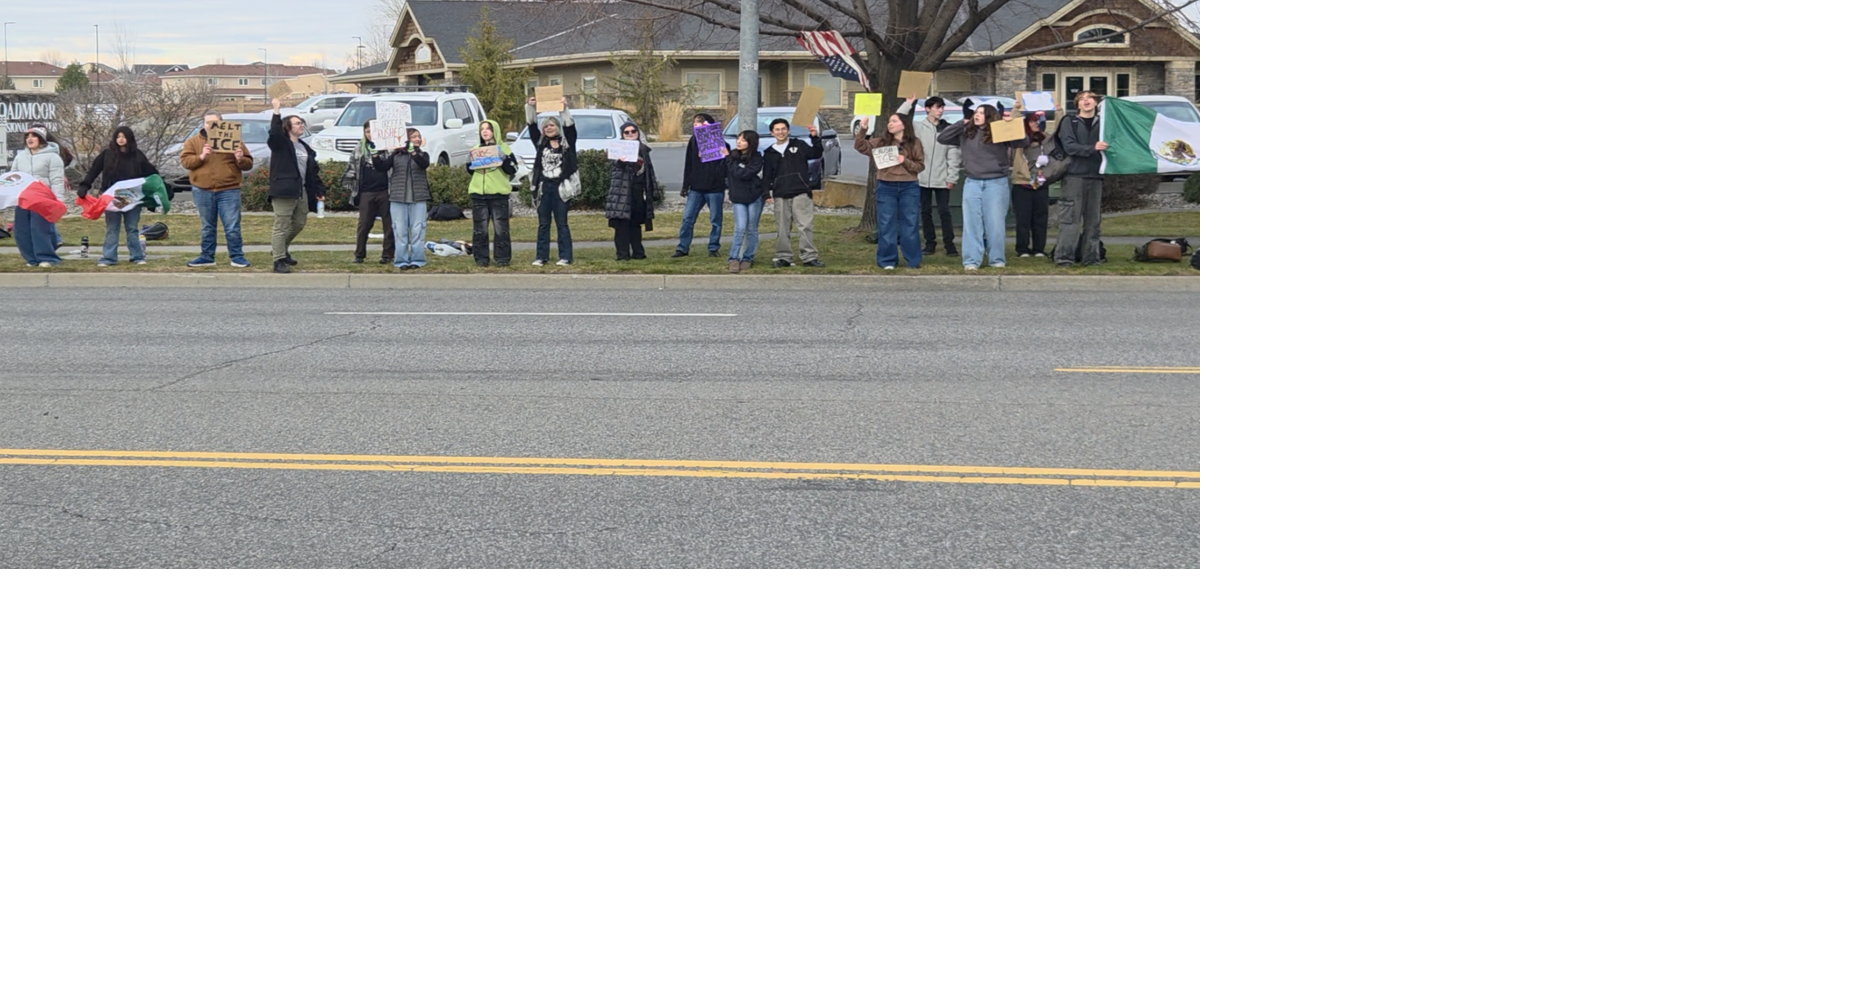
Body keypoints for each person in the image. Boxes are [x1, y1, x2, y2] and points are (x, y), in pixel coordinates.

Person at [938, 102, 1031, 271]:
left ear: (989, 115)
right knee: (971, 223)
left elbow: (1023, 142)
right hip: (972, 182)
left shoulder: (999, 131)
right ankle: (971, 260)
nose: (977, 115)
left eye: (981, 112)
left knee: (995, 223)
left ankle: (996, 259)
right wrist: (961, 122)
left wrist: (1012, 125)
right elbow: (942, 138)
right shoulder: (966, 132)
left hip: (996, 182)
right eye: (976, 112)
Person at [73, 125, 160, 266]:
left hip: (132, 197)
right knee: (112, 228)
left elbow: (151, 174)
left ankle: (137, 256)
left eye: (124, 136)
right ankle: (109, 258)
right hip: (111, 198)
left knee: (132, 228)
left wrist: (160, 189)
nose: (121, 139)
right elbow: (94, 171)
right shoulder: (107, 154)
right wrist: (84, 186)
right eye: (118, 136)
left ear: (129, 138)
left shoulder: (137, 155)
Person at [180, 111, 255, 268]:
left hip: (229, 189)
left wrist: (240, 158)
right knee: (207, 226)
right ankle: (207, 256)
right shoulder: (193, 142)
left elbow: (248, 164)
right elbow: (186, 162)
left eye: (214, 123)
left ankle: (237, 257)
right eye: (207, 123)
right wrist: (201, 156)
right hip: (202, 190)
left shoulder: (234, 141)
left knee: (232, 226)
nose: (210, 126)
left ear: (221, 124)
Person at [853, 112, 925, 270]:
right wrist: (863, 129)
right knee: (886, 224)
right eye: (889, 121)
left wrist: (904, 161)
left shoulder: (915, 143)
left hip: (909, 187)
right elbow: (860, 146)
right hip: (886, 186)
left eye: (894, 121)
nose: (890, 124)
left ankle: (912, 260)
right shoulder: (881, 142)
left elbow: (920, 166)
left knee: (910, 223)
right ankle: (887, 260)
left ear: (903, 124)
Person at [265, 97, 326, 274]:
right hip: (284, 190)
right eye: (298, 123)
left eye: (302, 123)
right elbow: (274, 133)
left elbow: (312, 172)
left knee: (299, 222)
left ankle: (280, 248)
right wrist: (276, 111)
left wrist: (319, 190)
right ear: (287, 127)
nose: (301, 125)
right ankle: (278, 260)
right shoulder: (281, 144)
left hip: (302, 190)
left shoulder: (304, 147)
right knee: (282, 225)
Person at [1055, 90, 1107, 267]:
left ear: (1096, 102)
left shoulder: (1103, 122)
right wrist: (1093, 148)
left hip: (1096, 176)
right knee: (1070, 219)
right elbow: (1069, 146)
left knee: (1093, 221)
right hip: (1074, 176)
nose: (1086, 101)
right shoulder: (1069, 121)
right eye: (1082, 99)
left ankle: (1091, 258)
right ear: (1077, 104)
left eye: (1090, 98)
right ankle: (1064, 257)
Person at [762, 119, 823, 268]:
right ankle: (783, 256)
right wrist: (766, 193)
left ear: (788, 130)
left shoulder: (799, 145)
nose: (781, 132)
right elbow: (767, 175)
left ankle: (809, 256)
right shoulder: (769, 152)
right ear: (772, 133)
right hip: (780, 193)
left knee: (805, 225)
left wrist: (815, 137)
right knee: (782, 227)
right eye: (777, 130)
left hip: (800, 191)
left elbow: (816, 153)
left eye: (783, 129)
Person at [525, 97, 578, 266]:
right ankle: (541, 256)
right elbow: (531, 125)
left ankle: (565, 256)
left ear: (557, 127)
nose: (549, 128)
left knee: (562, 223)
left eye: (552, 125)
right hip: (543, 187)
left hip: (560, 187)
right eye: (546, 126)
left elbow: (570, 127)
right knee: (543, 224)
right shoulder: (541, 143)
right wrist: (530, 107)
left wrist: (563, 109)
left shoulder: (566, 143)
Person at [465, 119, 518, 267]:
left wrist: (504, 158)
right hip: (478, 194)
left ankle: (502, 258)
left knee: (501, 229)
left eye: (488, 128)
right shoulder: (476, 149)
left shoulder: (504, 149)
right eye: (482, 129)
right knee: (480, 230)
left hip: (498, 194)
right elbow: (470, 170)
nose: (485, 131)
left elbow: (513, 169)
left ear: (495, 131)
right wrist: (469, 163)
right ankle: (481, 258)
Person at [9, 127, 65, 268]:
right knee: (21, 230)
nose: (30, 139)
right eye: (27, 136)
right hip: (24, 198)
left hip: (43, 199)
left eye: (34, 136)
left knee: (40, 228)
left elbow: (57, 180)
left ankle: (47, 258)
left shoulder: (53, 157)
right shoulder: (20, 157)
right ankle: (31, 259)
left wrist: (59, 200)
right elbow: (13, 177)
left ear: (41, 139)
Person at [376, 127, 432, 270]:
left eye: (418, 136)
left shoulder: (423, 154)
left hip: (418, 198)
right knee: (400, 231)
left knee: (418, 230)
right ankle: (401, 260)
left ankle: (418, 259)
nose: (417, 139)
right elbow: (381, 167)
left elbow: (423, 163)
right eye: (413, 137)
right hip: (398, 198)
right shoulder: (395, 156)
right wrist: (374, 155)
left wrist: (413, 152)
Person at [674, 113, 726, 258]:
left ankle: (713, 247)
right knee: (687, 218)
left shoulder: (718, 140)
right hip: (696, 188)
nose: (695, 124)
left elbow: (724, 163)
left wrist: (713, 154)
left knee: (715, 220)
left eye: (699, 122)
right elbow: (689, 164)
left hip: (715, 188)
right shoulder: (693, 141)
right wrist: (686, 185)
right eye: (694, 122)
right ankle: (682, 247)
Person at [914, 97, 960, 257]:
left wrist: (952, 177)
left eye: (942, 108)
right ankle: (930, 243)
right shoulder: (918, 127)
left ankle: (949, 244)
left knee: (944, 211)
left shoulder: (948, 129)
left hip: (942, 178)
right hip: (923, 178)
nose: (940, 111)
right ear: (928, 109)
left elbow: (954, 156)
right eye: (937, 107)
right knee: (925, 211)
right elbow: (902, 119)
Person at [605, 122, 657, 261]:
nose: (630, 134)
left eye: (633, 131)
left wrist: (652, 191)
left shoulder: (643, 150)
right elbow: (616, 164)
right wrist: (621, 161)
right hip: (622, 192)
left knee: (636, 223)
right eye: (626, 132)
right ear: (622, 134)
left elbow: (649, 172)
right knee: (622, 225)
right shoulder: (617, 148)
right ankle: (622, 254)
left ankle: (638, 252)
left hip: (638, 192)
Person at [1009, 112, 1058, 259]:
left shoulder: (1045, 139)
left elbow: (1059, 133)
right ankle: (1022, 248)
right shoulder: (1019, 139)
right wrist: (1016, 109)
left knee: (1040, 219)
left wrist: (1058, 112)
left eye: (1038, 121)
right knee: (1023, 219)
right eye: (1032, 121)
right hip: (1022, 183)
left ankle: (1039, 248)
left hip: (1040, 183)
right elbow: (1013, 126)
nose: (1036, 124)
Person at [349, 118, 395, 265]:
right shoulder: (359, 149)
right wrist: (353, 188)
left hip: (386, 191)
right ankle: (359, 254)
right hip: (366, 192)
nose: (370, 134)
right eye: (367, 131)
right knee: (364, 224)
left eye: (373, 131)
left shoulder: (389, 149)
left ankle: (387, 255)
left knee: (389, 225)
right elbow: (351, 169)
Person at [724, 129, 765, 272]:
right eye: (738, 139)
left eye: (743, 140)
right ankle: (734, 258)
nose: (739, 142)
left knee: (752, 228)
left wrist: (728, 159)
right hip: (738, 198)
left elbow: (744, 174)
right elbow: (725, 172)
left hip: (754, 197)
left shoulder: (757, 158)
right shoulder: (732, 156)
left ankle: (748, 257)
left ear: (751, 142)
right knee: (740, 228)